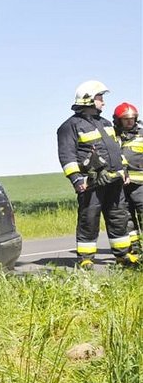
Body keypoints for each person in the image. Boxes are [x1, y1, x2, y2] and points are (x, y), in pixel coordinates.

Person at [57, 81, 136, 268]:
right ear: (89, 99)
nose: (103, 102)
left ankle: (123, 256)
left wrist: (124, 171)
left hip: (114, 180)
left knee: (119, 218)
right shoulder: (70, 126)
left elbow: (116, 150)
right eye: (100, 98)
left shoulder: (106, 123)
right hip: (91, 182)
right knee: (89, 219)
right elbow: (66, 156)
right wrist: (76, 179)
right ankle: (86, 259)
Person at [113, 101, 143, 255]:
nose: (130, 121)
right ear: (119, 120)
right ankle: (135, 248)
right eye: (126, 119)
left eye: (132, 118)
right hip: (120, 184)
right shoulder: (112, 136)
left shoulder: (142, 134)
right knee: (126, 217)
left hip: (140, 185)